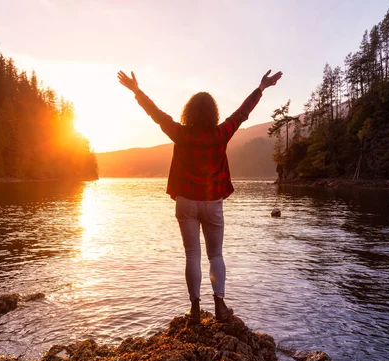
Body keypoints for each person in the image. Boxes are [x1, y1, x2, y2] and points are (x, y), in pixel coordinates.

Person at [118, 69, 282, 324]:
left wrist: (137, 91)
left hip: (186, 202)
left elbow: (156, 114)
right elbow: (242, 113)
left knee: (191, 254)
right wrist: (260, 88)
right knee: (215, 255)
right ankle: (219, 306)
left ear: (189, 112)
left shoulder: (180, 133)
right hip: (212, 202)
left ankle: (194, 309)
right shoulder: (221, 133)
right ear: (213, 113)